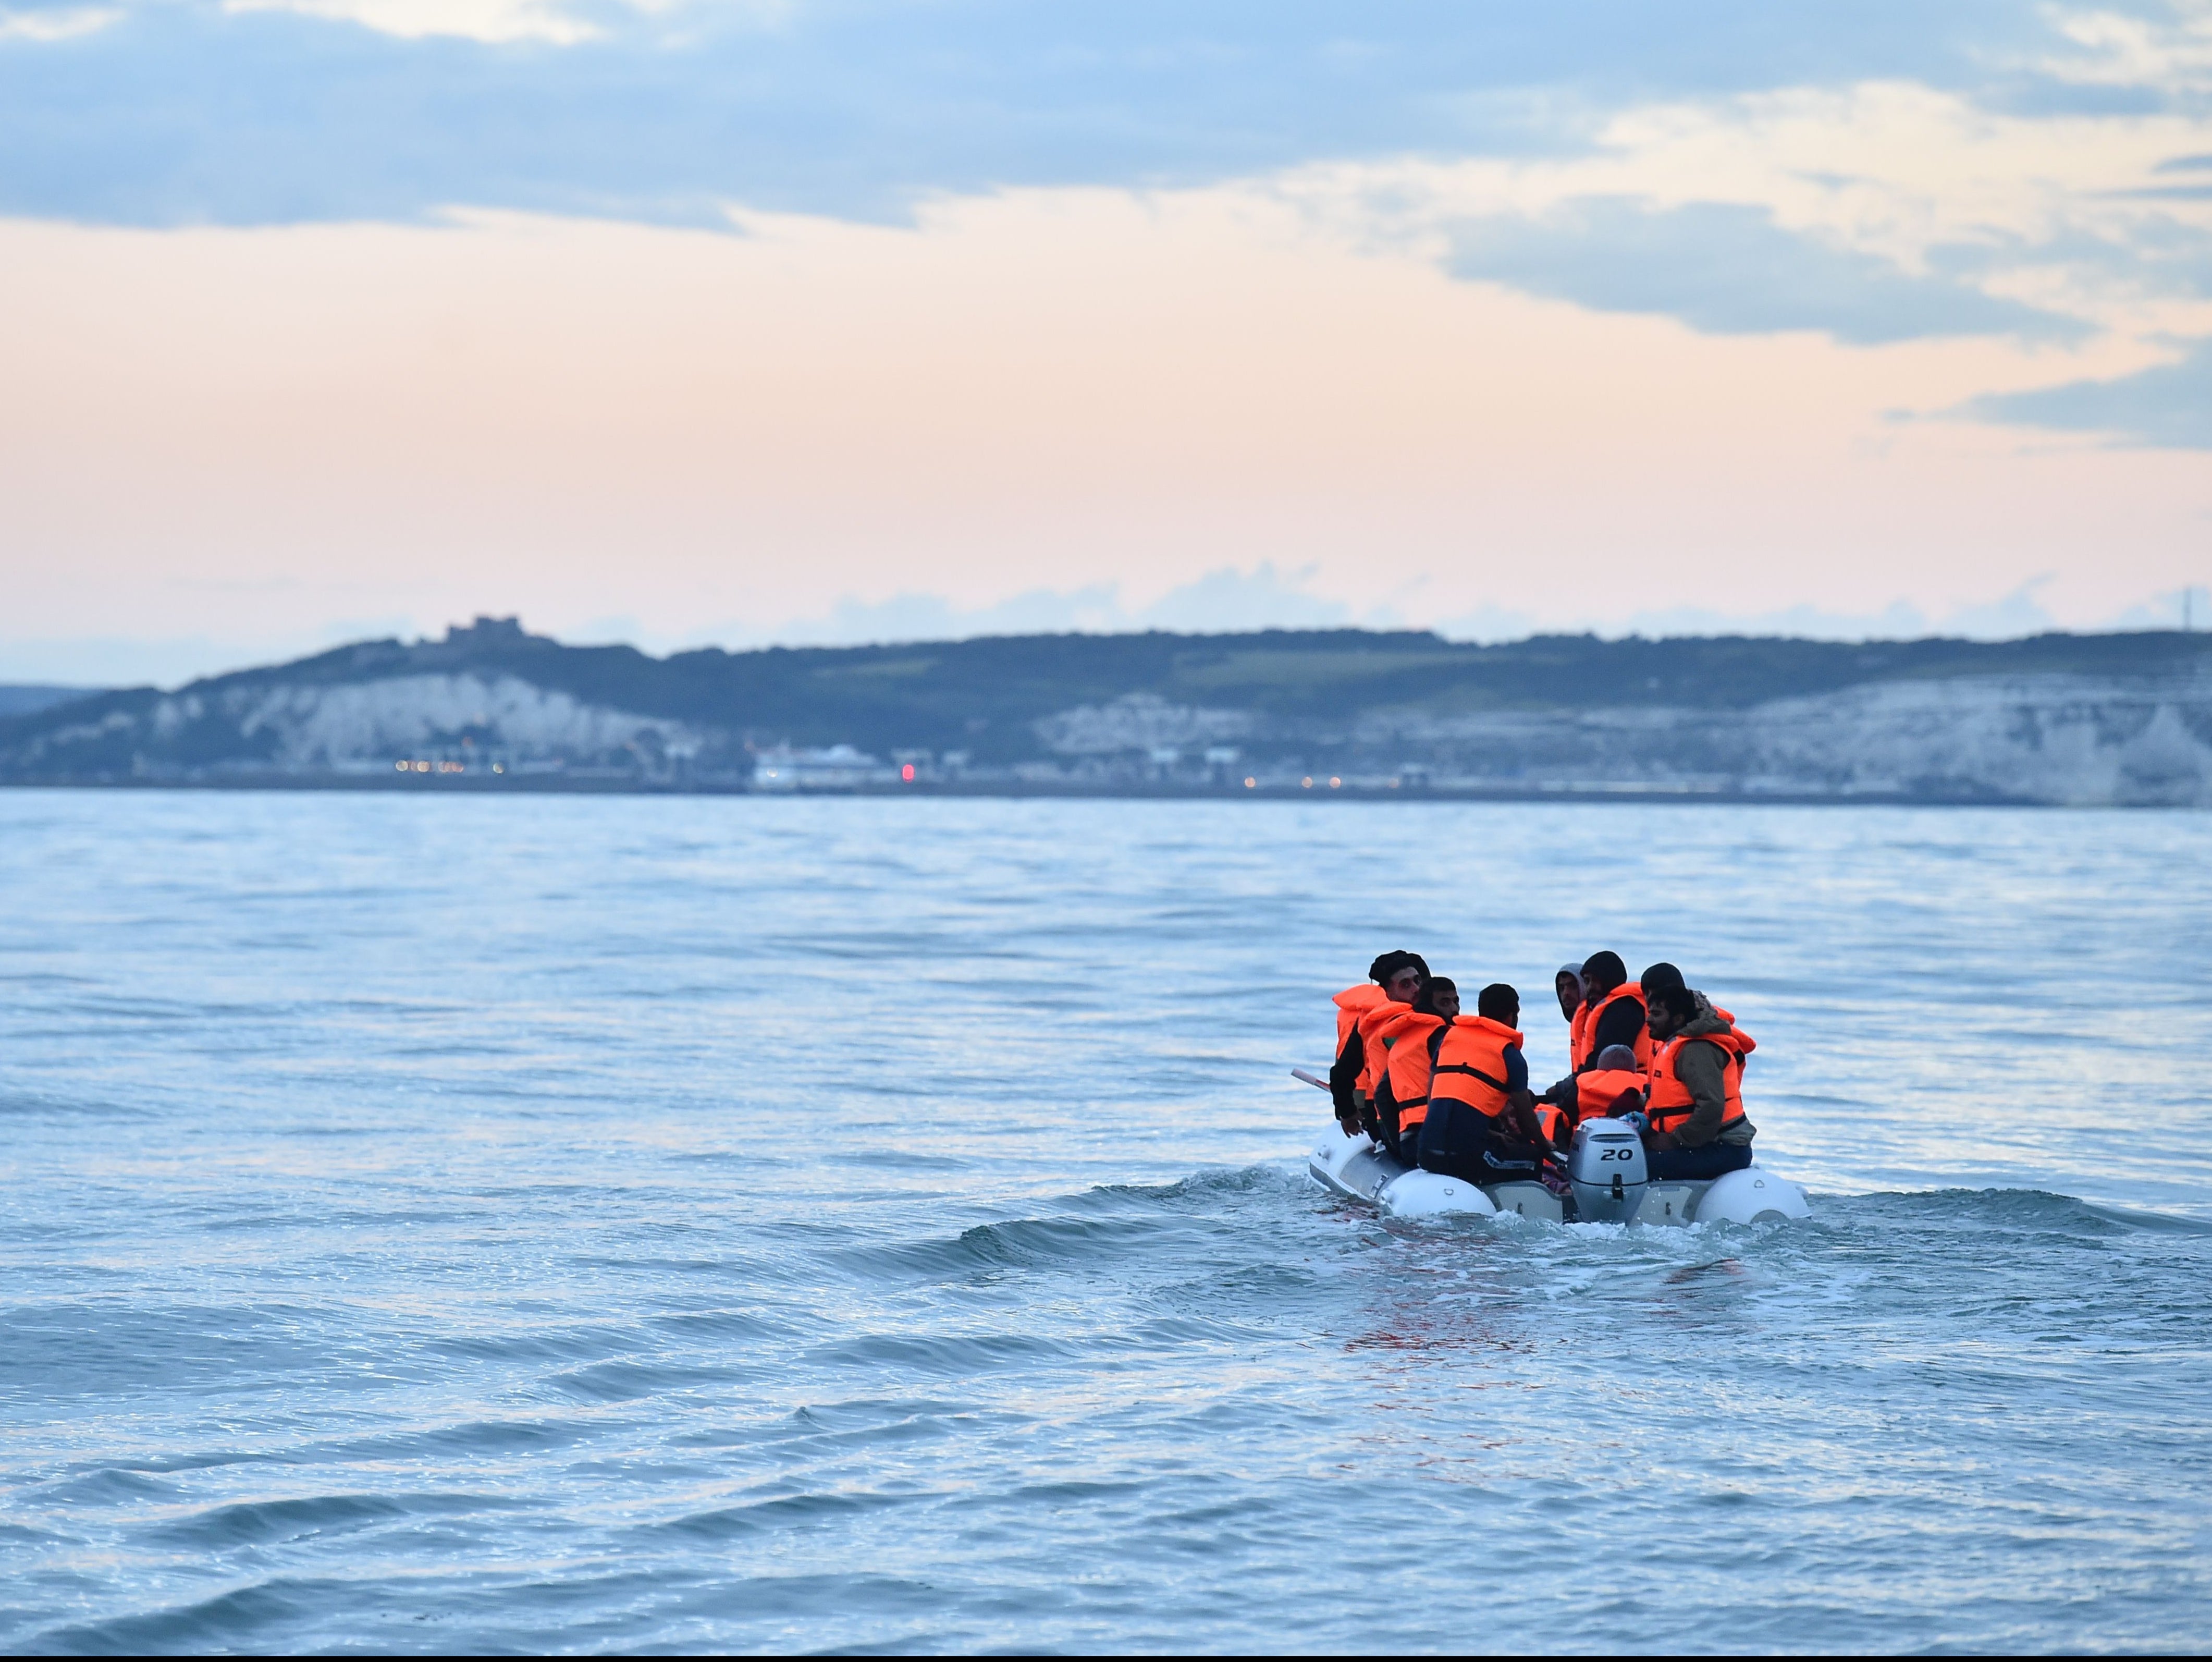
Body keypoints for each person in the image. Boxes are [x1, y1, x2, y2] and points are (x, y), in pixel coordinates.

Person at [1416, 983, 1552, 1184]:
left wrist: (1491, 1135)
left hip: (1426, 1151)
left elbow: (1433, 1096)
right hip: (1466, 1158)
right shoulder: (1510, 1055)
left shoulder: (1449, 1040)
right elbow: (1525, 1118)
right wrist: (1546, 1146)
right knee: (1532, 1158)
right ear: (1511, 1016)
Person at [1642, 981, 1757, 1180]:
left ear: (1678, 1020)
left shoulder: (1695, 1050)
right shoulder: (1676, 1044)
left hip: (1725, 1148)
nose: (1649, 1020)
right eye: (1650, 1013)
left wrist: (1674, 1141)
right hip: (1702, 1143)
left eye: (1657, 1014)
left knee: (1635, 1167)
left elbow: (1712, 1105)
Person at [1327, 951, 1428, 1135]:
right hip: (1391, 1119)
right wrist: (1348, 1113)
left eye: (1418, 981)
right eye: (1405, 985)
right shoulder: (1374, 1024)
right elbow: (1341, 1075)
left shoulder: (1434, 1018)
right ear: (1387, 993)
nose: (1415, 989)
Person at [1373, 978, 1457, 1165]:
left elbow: (1382, 1096)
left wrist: (1397, 1147)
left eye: (1456, 1001)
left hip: (1410, 1142)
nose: (1454, 1009)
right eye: (1445, 1003)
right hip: (1441, 1139)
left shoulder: (1403, 1041)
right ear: (1428, 1005)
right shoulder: (1443, 1038)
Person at [1574, 951, 1651, 1072]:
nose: (1590, 987)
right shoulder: (1613, 1008)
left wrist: (1563, 1088)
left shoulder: (1624, 1011)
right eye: (1587, 981)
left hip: (1628, 1086)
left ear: (1609, 979)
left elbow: (1601, 1062)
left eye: (1595, 980)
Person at [1552, 1044, 1647, 1127]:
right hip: (1632, 1134)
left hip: (1589, 1135)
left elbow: (1567, 1115)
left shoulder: (1583, 1086)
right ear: (1634, 1068)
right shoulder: (1644, 1088)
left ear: (1600, 1067)